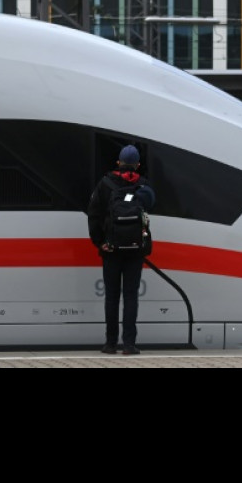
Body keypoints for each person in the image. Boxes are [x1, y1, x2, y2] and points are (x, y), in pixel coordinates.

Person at [87, 144, 156, 355]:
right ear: (137, 165)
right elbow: (150, 208)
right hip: (135, 250)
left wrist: (100, 242)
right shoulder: (143, 185)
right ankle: (128, 344)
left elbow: (93, 215)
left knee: (112, 296)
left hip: (111, 249)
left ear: (118, 163)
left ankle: (110, 344)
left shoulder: (105, 184)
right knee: (131, 296)